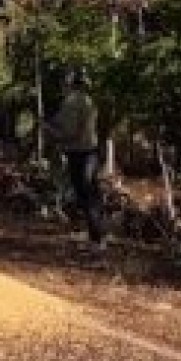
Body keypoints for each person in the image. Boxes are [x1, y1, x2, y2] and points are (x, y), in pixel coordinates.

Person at [46, 68, 106, 250]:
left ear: (69, 84)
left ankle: (96, 238)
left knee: (86, 195)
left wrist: (50, 131)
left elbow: (69, 132)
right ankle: (97, 236)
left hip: (79, 153)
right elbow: (63, 121)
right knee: (92, 194)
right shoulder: (88, 101)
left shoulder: (71, 102)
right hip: (91, 152)